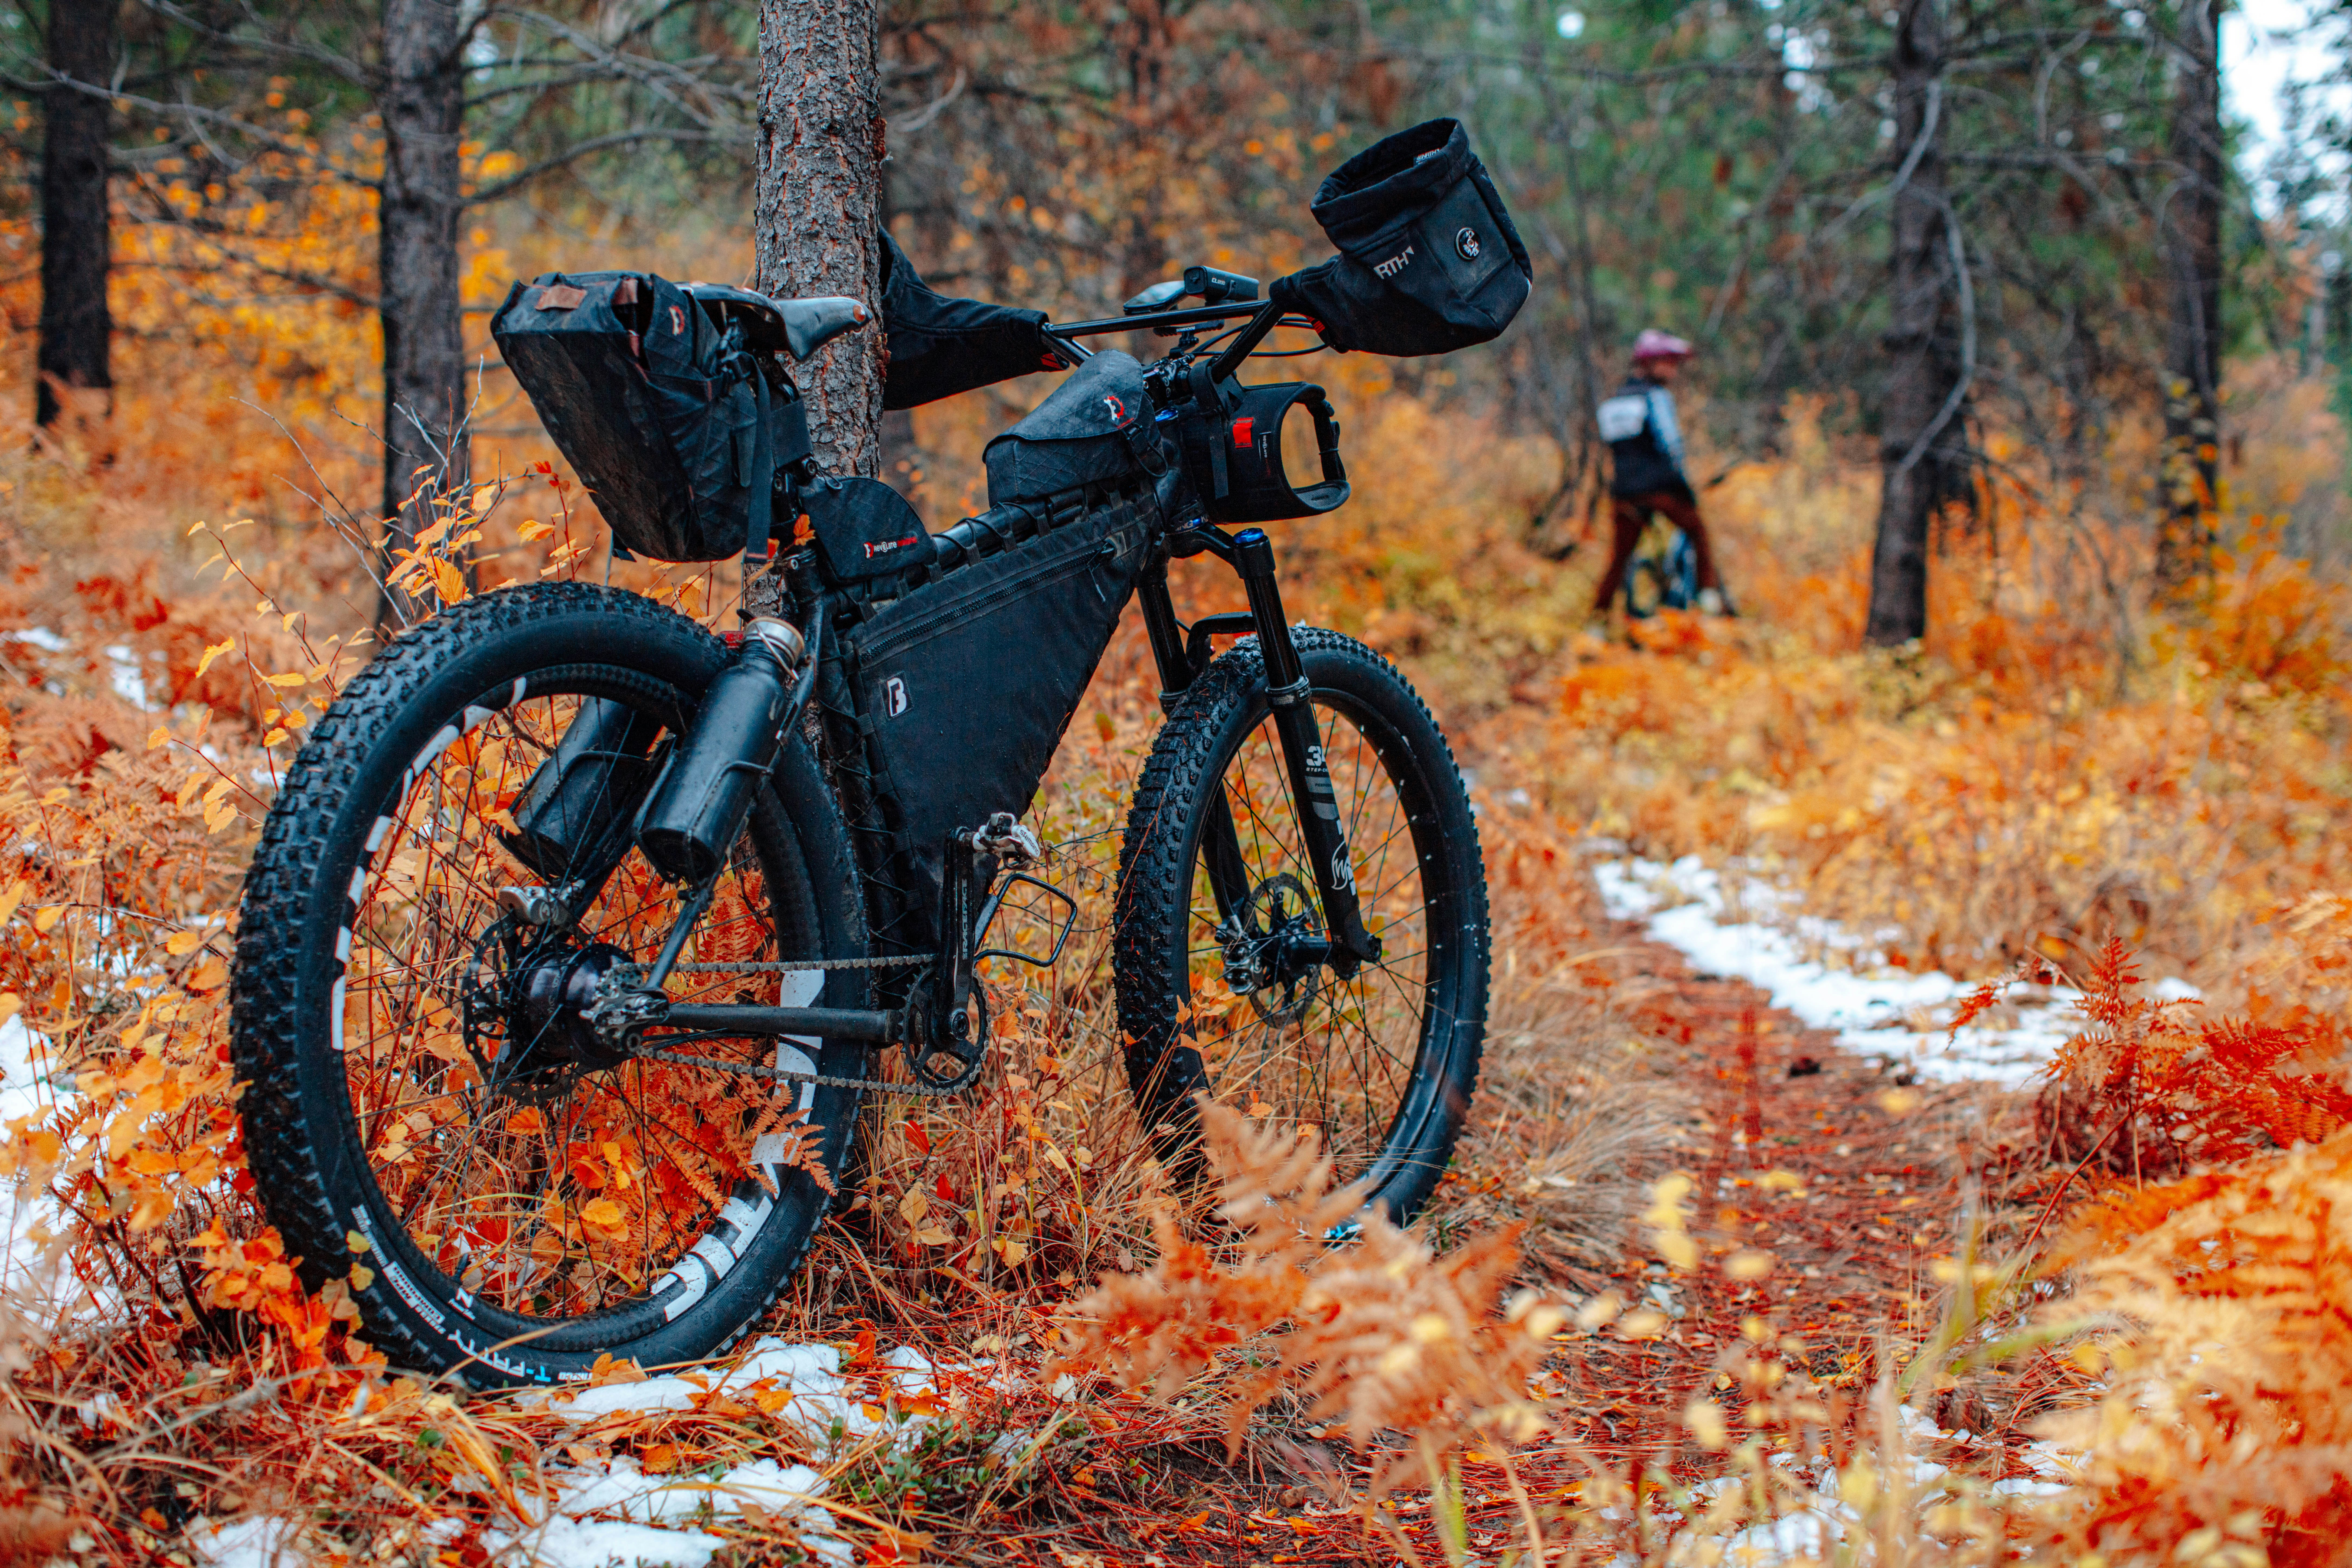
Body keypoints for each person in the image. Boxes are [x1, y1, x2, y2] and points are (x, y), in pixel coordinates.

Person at [1590, 328, 1731, 622]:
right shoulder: (1657, 397)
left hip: (1624, 494)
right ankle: (1708, 597)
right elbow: (1671, 445)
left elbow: (1612, 447)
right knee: (1698, 532)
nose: (1673, 370)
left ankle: (1598, 621)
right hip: (1661, 491)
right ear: (1648, 363)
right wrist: (1685, 486)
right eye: (1668, 363)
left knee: (1619, 558)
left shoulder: (1614, 402)